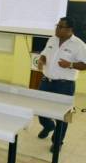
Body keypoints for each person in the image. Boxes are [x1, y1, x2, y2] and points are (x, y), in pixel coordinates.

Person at [37, 17, 86, 152]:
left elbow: (85, 64)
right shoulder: (52, 39)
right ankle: (48, 126)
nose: (56, 28)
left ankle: (58, 141)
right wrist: (41, 60)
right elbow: (44, 53)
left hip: (65, 85)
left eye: (60, 27)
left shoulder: (79, 45)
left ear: (69, 30)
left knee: (64, 116)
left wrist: (70, 64)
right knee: (39, 108)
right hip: (46, 82)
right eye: (57, 25)